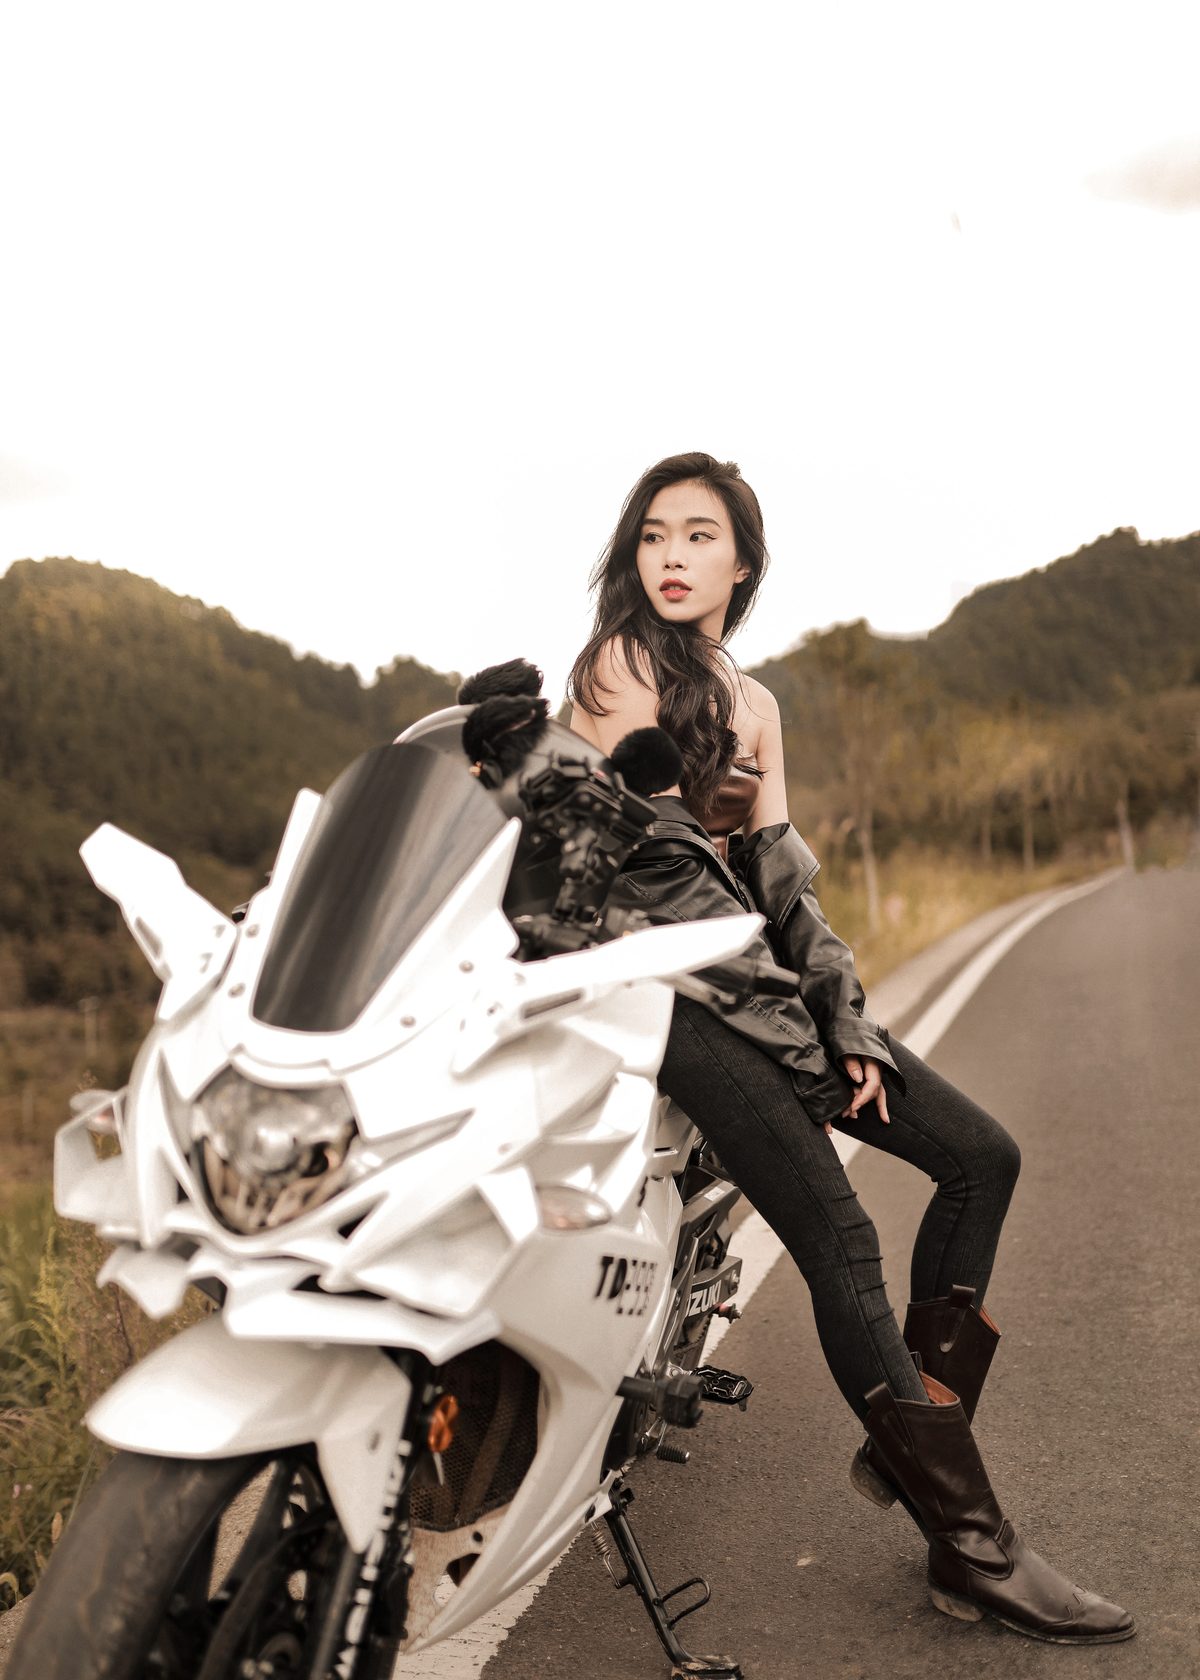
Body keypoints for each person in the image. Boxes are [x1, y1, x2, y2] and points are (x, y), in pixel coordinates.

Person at [567, 451, 1134, 1646]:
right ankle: (975, 1546)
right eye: (654, 535)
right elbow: (665, 878)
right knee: (841, 1237)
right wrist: (798, 1040)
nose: (672, 556)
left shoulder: (756, 703)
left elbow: (781, 885)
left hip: (759, 995)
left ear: (743, 563)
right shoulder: (619, 667)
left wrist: (846, 1020)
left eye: (699, 536)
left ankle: (919, 1448)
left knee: (981, 1156)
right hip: (662, 997)